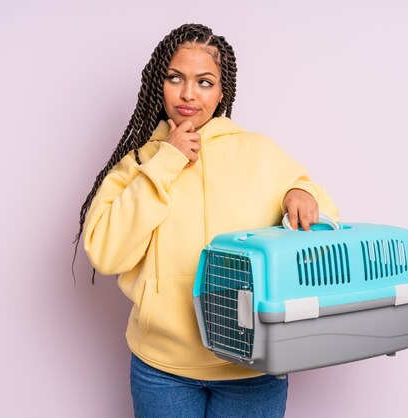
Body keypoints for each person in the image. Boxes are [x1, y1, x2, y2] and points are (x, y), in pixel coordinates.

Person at [74, 23, 339, 418]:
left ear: (221, 91)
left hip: (253, 365)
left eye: (204, 82)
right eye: (175, 78)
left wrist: (301, 194)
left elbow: (320, 218)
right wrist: (167, 160)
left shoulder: (258, 151)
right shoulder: (138, 165)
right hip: (162, 368)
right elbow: (106, 254)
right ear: (157, 83)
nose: (187, 94)